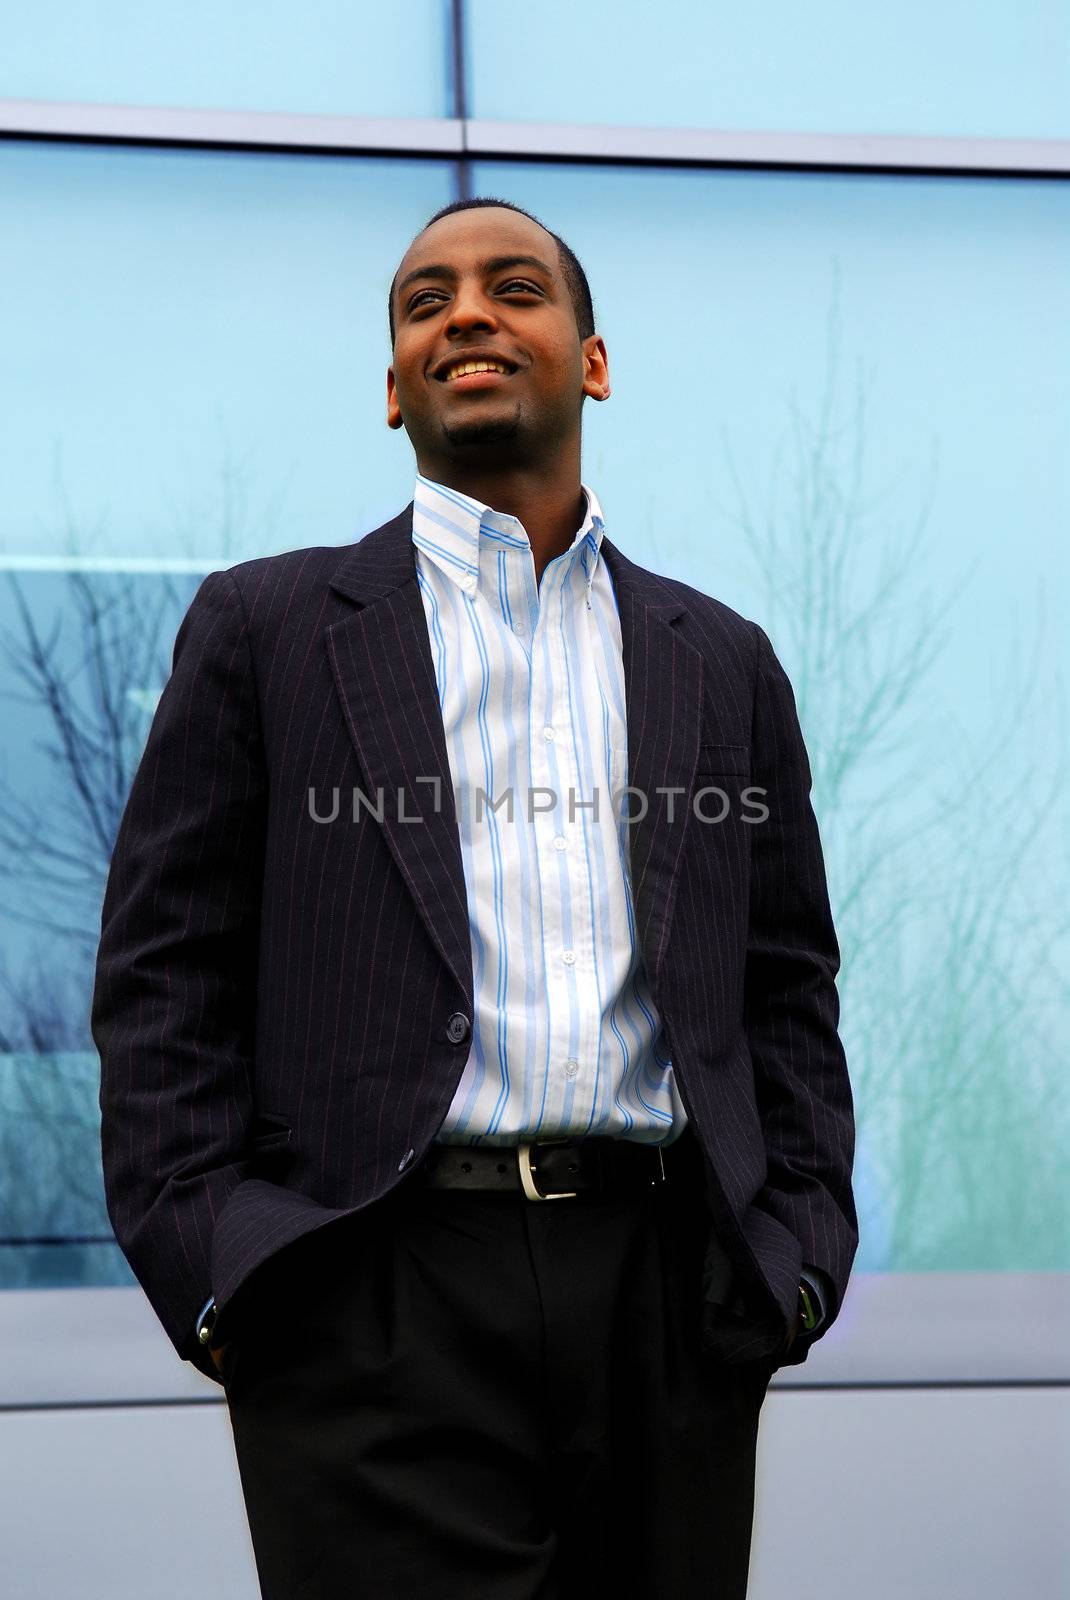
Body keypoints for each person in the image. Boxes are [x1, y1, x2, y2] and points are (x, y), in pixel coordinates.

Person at [92, 196, 858, 1599]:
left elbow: (784, 982)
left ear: (593, 361)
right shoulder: (267, 630)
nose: (466, 315)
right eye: (424, 302)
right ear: (394, 389)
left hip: (667, 1290)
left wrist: (794, 1249)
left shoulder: (720, 659)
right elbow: (165, 976)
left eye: (514, 289)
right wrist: (222, 1267)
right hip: (369, 1291)